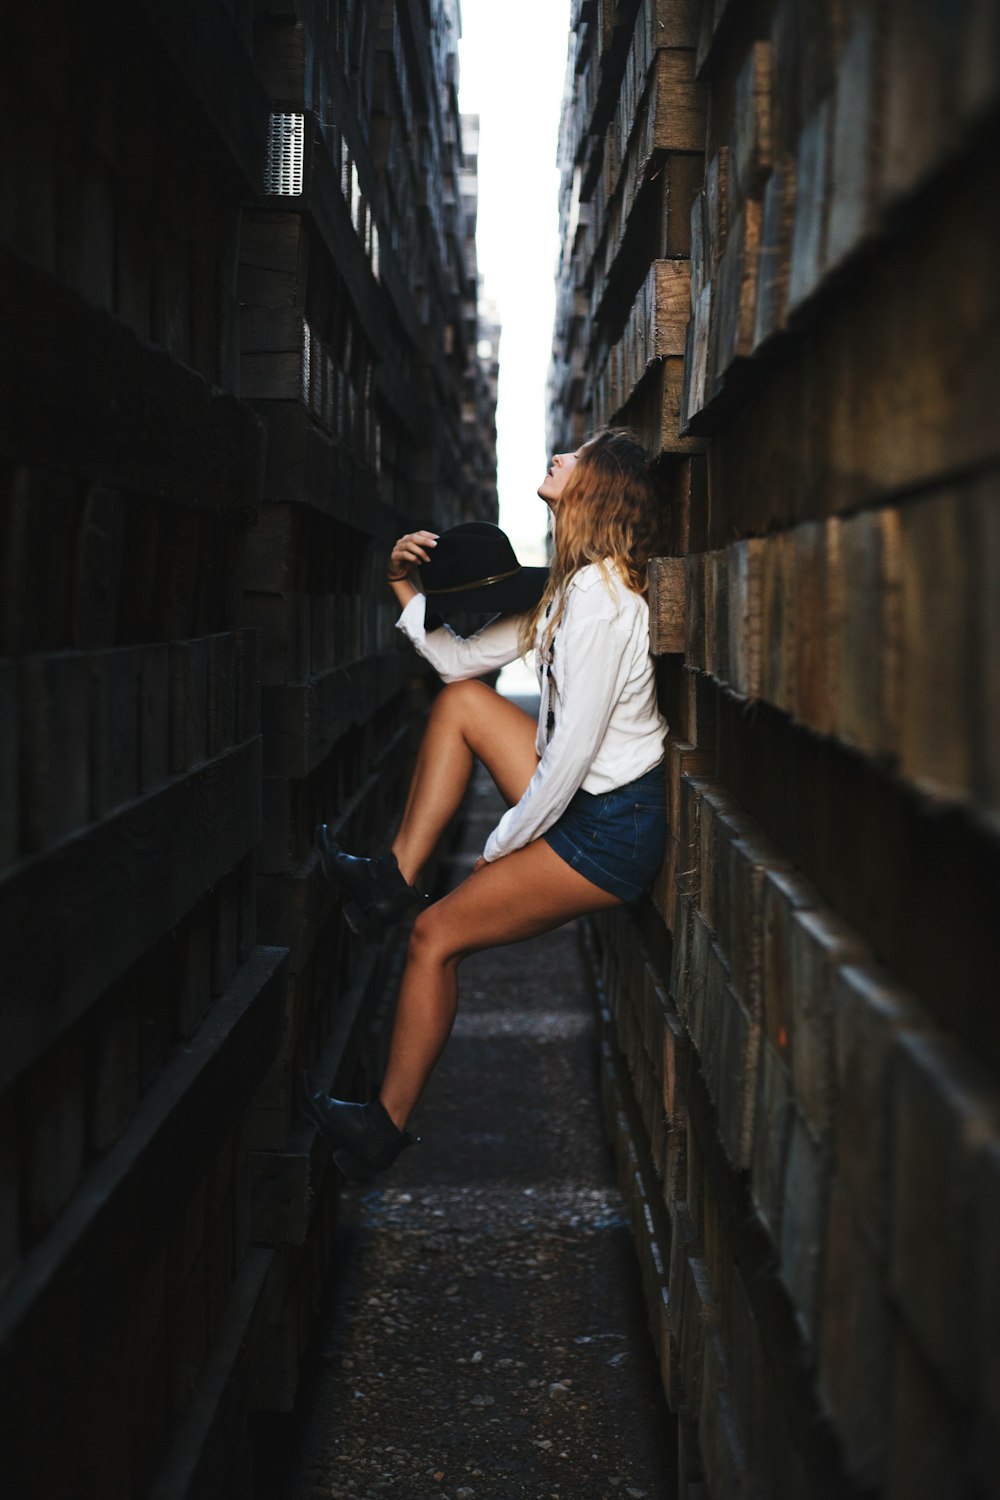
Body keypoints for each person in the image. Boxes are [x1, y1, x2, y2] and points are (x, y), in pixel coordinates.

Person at [301, 429, 669, 1181]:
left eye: (579, 454)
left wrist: (502, 845)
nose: (561, 455)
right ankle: (389, 884)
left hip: (610, 830)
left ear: (597, 485)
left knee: (435, 938)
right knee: (463, 704)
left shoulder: (602, 605)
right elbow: (455, 661)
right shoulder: (573, 584)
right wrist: (401, 582)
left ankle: (383, 1126)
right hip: (589, 802)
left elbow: (567, 762)